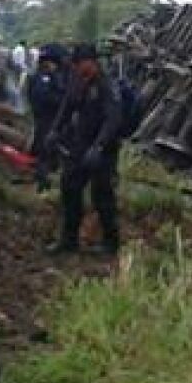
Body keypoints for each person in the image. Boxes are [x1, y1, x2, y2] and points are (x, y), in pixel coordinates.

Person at [47, 43, 122, 255]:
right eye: (75, 64)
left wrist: (99, 147)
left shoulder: (107, 84)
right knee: (69, 189)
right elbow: (67, 106)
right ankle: (68, 240)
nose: (76, 67)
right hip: (79, 144)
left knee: (102, 196)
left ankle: (111, 243)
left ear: (91, 62)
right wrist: (54, 130)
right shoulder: (77, 81)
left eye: (79, 63)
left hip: (103, 149)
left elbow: (113, 119)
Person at [25, 43, 68, 189]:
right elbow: (50, 98)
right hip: (49, 120)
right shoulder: (48, 77)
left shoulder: (37, 76)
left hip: (44, 119)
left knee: (45, 151)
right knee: (47, 152)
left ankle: (44, 180)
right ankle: (45, 183)